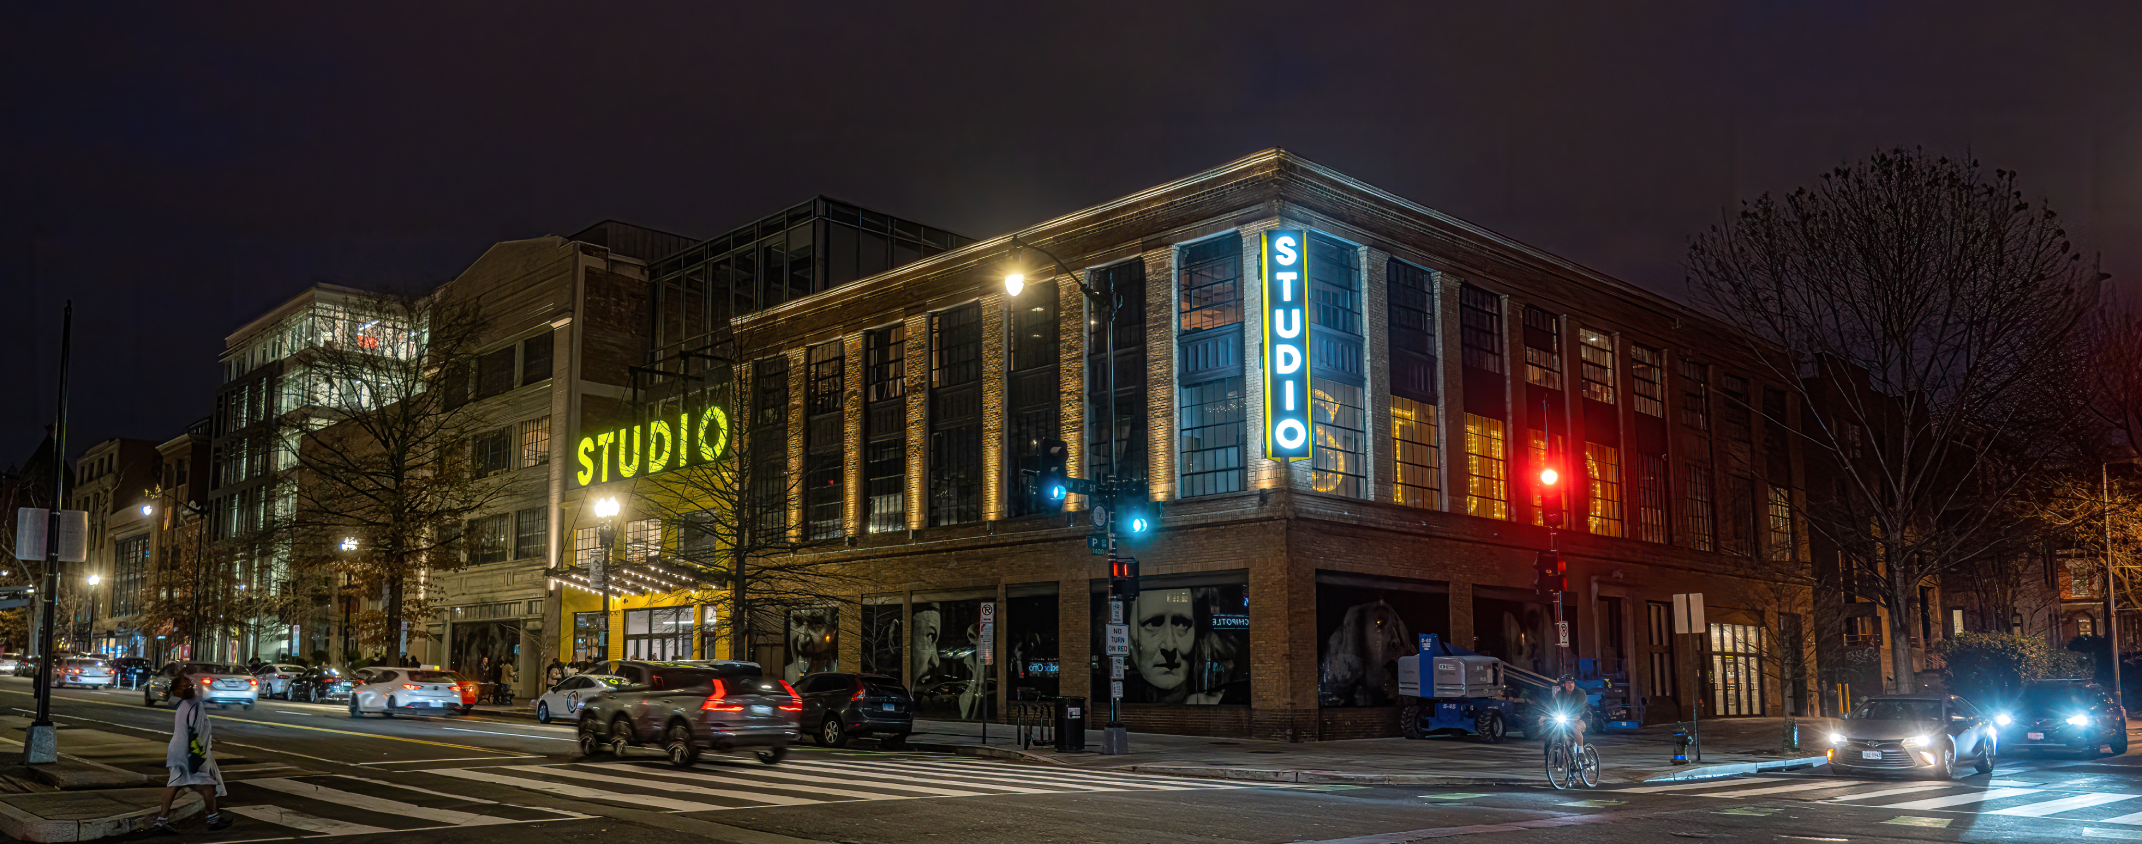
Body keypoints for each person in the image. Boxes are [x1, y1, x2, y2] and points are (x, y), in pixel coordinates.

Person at [150, 675, 230, 834]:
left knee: (174, 784)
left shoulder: (183, 705)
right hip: (190, 752)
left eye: (192, 686)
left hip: (177, 751)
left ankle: (161, 821)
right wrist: (201, 751)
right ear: (179, 690)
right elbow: (195, 731)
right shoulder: (194, 706)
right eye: (187, 687)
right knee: (207, 784)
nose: (191, 689)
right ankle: (212, 819)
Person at [1547, 675, 1591, 748]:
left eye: (1572, 683)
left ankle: (1581, 752)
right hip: (1567, 719)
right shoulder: (1560, 693)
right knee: (1554, 730)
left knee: (1575, 728)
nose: (1570, 685)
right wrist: (1545, 716)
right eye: (1568, 683)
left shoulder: (1580, 692)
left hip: (1582, 718)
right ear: (1564, 684)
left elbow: (1581, 707)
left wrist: (1577, 716)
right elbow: (1553, 705)